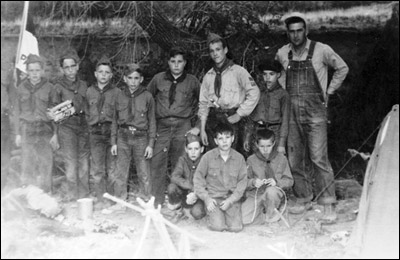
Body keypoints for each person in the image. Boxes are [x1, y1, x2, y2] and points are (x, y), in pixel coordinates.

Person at [275, 12, 349, 221]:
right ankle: (303, 197)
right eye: (292, 32)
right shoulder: (283, 53)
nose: (296, 36)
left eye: (300, 31)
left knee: (318, 157)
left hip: (316, 112)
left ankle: (328, 203)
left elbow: (342, 68)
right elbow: (277, 73)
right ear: (287, 34)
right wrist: (284, 89)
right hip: (293, 111)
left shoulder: (321, 50)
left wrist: (330, 90)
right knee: (295, 158)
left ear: (305, 31)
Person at [147, 47, 200, 207]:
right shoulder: (158, 79)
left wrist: (197, 125)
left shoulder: (192, 81)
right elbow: (146, 100)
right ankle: (156, 201)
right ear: (168, 62)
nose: (176, 65)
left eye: (180, 62)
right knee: (157, 163)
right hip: (162, 125)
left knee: (181, 163)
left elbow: (203, 104)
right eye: (172, 61)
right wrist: (151, 126)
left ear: (185, 63)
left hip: (182, 125)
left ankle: (181, 201)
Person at [198, 33, 260, 154]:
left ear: (225, 50)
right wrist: (202, 129)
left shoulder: (238, 71)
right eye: (211, 51)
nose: (215, 54)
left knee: (234, 155)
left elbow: (254, 92)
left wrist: (240, 114)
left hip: (233, 119)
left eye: (218, 49)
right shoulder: (208, 76)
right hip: (214, 120)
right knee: (214, 155)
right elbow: (203, 103)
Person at [110, 64, 156, 205]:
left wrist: (150, 144)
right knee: (121, 172)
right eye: (130, 78)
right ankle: (120, 201)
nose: (133, 81)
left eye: (136, 78)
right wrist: (113, 142)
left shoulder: (147, 96)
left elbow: (152, 121)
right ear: (125, 79)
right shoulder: (119, 96)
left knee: (144, 172)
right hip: (123, 136)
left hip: (141, 137)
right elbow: (114, 120)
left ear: (141, 79)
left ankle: (145, 201)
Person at [14, 54, 59, 193]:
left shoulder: (50, 88)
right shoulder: (21, 88)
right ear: (27, 71)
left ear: (42, 71)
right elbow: (16, 113)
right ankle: (29, 197)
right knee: (27, 164)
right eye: (31, 70)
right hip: (27, 130)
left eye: (37, 70)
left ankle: (45, 196)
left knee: (45, 165)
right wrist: (17, 134)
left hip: (45, 130)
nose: (34, 74)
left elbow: (56, 113)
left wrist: (56, 134)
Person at [193, 122, 247, 232]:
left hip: (231, 198)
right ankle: (209, 213)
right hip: (214, 198)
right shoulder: (208, 157)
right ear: (216, 141)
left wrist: (231, 201)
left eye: (227, 137)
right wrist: (207, 198)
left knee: (236, 228)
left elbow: (242, 182)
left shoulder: (239, 158)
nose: (224, 141)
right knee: (218, 227)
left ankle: (227, 214)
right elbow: (198, 178)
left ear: (232, 138)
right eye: (220, 138)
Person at [52, 49, 90, 201]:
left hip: (83, 127)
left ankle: (84, 196)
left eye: (72, 66)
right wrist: (55, 134)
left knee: (84, 163)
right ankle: (73, 196)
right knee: (71, 164)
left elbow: (89, 106)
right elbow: (54, 114)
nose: (70, 70)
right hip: (67, 127)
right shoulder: (58, 87)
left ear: (77, 66)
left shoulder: (84, 85)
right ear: (62, 69)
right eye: (66, 67)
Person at [85, 56, 119, 208]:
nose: (104, 75)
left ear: (111, 75)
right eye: (101, 72)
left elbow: (119, 115)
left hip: (111, 133)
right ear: (95, 74)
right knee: (97, 169)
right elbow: (86, 113)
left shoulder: (117, 92)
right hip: (96, 133)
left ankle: (110, 198)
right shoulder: (89, 92)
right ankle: (100, 198)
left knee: (112, 169)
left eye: (107, 72)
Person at [241, 129, 293, 225]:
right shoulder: (251, 160)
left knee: (271, 191)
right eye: (262, 146)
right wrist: (253, 182)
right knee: (243, 220)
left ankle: (272, 213)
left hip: (274, 194)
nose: (265, 150)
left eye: (268, 146)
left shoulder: (281, 158)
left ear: (273, 144)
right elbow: (243, 181)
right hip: (256, 195)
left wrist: (276, 182)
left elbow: (289, 181)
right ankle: (265, 215)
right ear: (256, 145)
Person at [244, 59, 290, 156]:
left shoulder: (283, 94)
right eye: (265, 74)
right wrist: (247, 136)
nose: (267, 78)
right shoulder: (257, 92)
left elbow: (285, 121)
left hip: (275, 132)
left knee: (274, 163)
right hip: (258, 132)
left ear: (278, 75)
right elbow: (252, 117)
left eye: (271, 74)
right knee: (256, 162)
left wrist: (281, 144)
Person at [164, 134, 206, 222]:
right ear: (186, 149)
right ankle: (178, 210)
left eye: (196, 149)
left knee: (197, 213)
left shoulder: (206, 161)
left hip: (199, 196)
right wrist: (190, 186)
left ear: (202, 149)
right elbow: (174, 177)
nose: (193, 152)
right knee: (172, 188)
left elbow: (209, 182)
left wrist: (196, 192)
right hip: (185, 193)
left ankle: (198, 210)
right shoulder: (182, 160)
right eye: (190, 149)